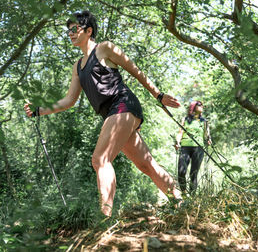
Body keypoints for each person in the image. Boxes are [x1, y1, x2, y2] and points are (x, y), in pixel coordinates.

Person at [23, 11, 182, 217]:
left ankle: (104, 218)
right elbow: (69, 101)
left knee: (100, 159)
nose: (70, 33)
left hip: (123, 104)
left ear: (88, 31)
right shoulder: (78, 67)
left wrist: (158, 95)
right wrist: (39, 110)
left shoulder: (105, 48)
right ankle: (180, 202)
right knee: (146, 164)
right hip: (112, 115)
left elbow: (135, 70)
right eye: (68, 30)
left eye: (74, 29)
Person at [175, 101, 211, 194]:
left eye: (202, 105)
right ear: (193, 107)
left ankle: (192, 197)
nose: (202, 107)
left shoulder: (204, 121)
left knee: (193, 174)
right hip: (185, 147)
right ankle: (183, 193)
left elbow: (207, 135)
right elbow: (180, 132)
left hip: (198, 148)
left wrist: (208, 140)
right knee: (181, 171)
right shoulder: (185, 119)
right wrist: (177, 142)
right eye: (199, 105)